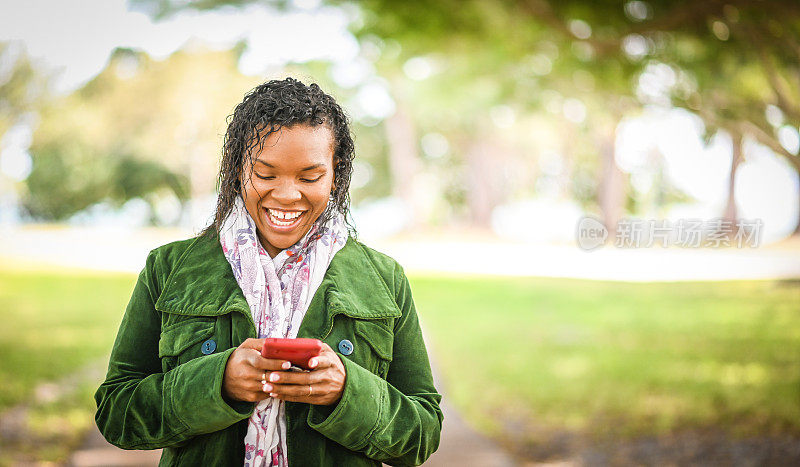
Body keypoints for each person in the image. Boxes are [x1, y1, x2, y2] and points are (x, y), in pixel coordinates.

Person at [94, 78, 443, 466]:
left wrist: (347, 391)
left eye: (310, 177)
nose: (287, 194)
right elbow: (117, 413)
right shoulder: (169, 269)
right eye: (265, 174)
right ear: (237, 168)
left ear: (336, 173)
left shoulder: (384, 278)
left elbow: (422, 432)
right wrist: (217, 383)